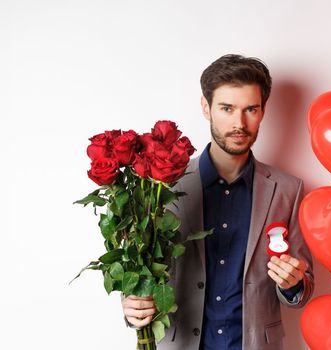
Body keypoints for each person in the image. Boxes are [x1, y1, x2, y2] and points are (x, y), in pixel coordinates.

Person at [121, 54, 314, 350]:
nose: (239, 123)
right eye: (227, 108)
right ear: (206, 108)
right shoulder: (163, 185)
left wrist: (293, 284)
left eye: (251, 109)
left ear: (263, 111)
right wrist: (133, 303)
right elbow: (143, 266)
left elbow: (303, 287)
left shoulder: (288, 189)